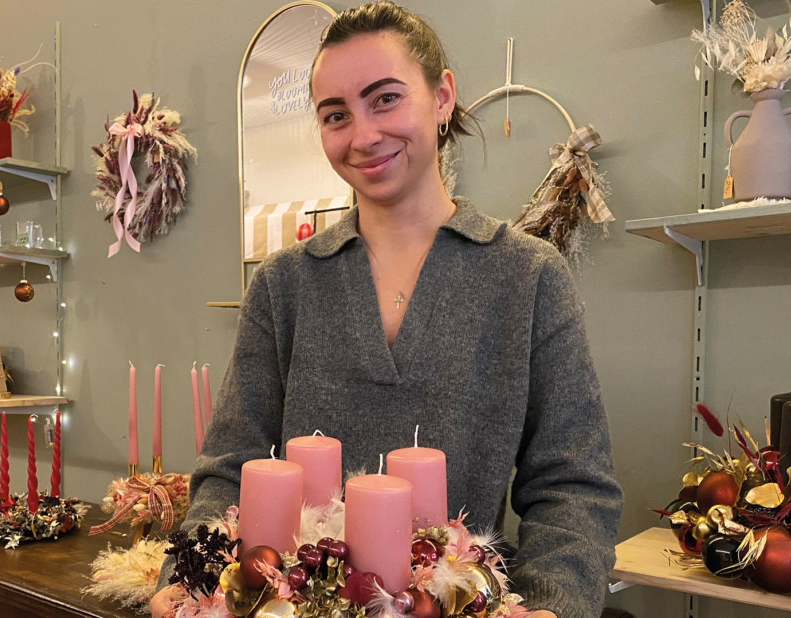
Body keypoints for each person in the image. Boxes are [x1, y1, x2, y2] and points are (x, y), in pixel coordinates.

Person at [155, 3, 622, 616]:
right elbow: (230, 469)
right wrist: (192, 580)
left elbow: (572, 487)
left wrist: (554, 605)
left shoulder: (527, 277)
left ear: (443, 97)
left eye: (385, 99)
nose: (363, 135)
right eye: (335, 115)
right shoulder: (285, 284)